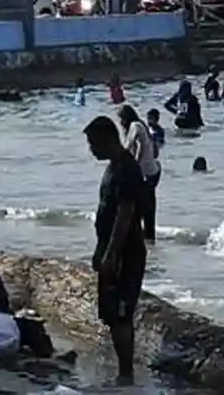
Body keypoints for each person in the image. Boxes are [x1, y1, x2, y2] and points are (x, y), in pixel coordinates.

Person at [84, 116, 148, 386]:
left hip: (125, 252)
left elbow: (125, 214)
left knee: (121, 314)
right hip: (110, 248)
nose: (91, 150)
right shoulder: (113, 166)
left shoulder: (126, 169)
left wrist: (111, 254)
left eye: (92, 143)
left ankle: (126, 374)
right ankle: (122, 370)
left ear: (107, 139)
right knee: (111, 313)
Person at [119, 105, 160, 243]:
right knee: (148, 210)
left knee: (138, 209)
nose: (120, 122)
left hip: (145, 174)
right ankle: (150, 241)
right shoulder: (141, 126)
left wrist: (135, 165)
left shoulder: (135, 126)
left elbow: (139, 145)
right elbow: (153, 149)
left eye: (121, 119)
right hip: (152, 172)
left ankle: (143, 240)